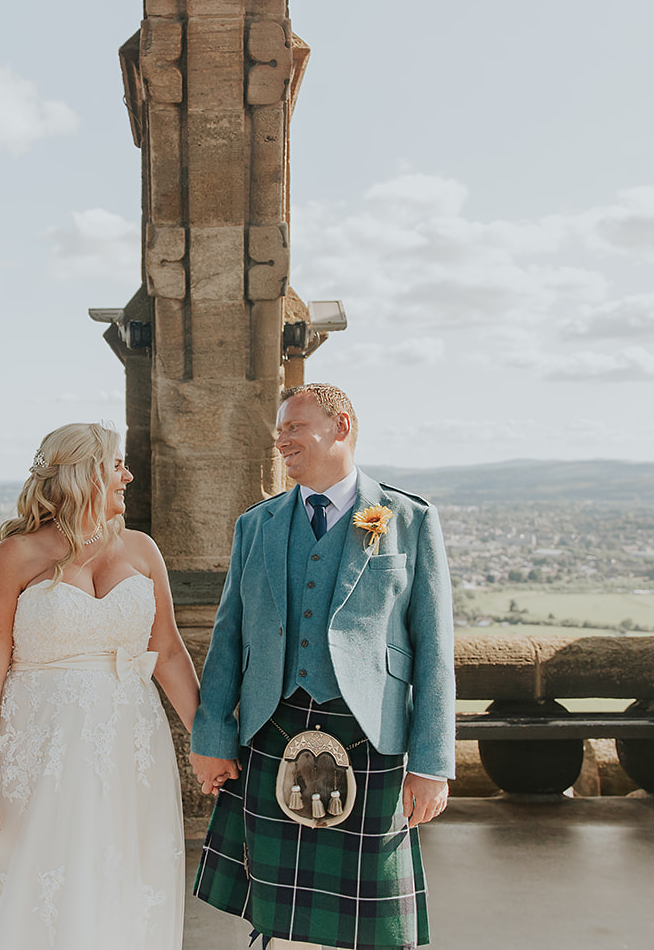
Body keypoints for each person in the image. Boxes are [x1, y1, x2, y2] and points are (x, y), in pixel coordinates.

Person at [0, 423, 200, 950]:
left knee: (117, 881)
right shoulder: (16, 557)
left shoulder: (143, 551)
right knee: (35, 888)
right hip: (36, 755)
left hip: (130, 751)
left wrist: (205, 739)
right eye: (116, 464)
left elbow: (166, 651)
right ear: (84, 475)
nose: (128, 474)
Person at [190, 384, 455, 950]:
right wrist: (211, 735)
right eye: (278, 431)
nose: (280, 441)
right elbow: (228, 639)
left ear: (340, 426)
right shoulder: (255, 526)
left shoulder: (408, 520)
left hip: (369, 736)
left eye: (294, 428)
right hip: (271, 725)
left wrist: (432, 763)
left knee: (372, 918)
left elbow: (434, 649)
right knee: (276, 906)